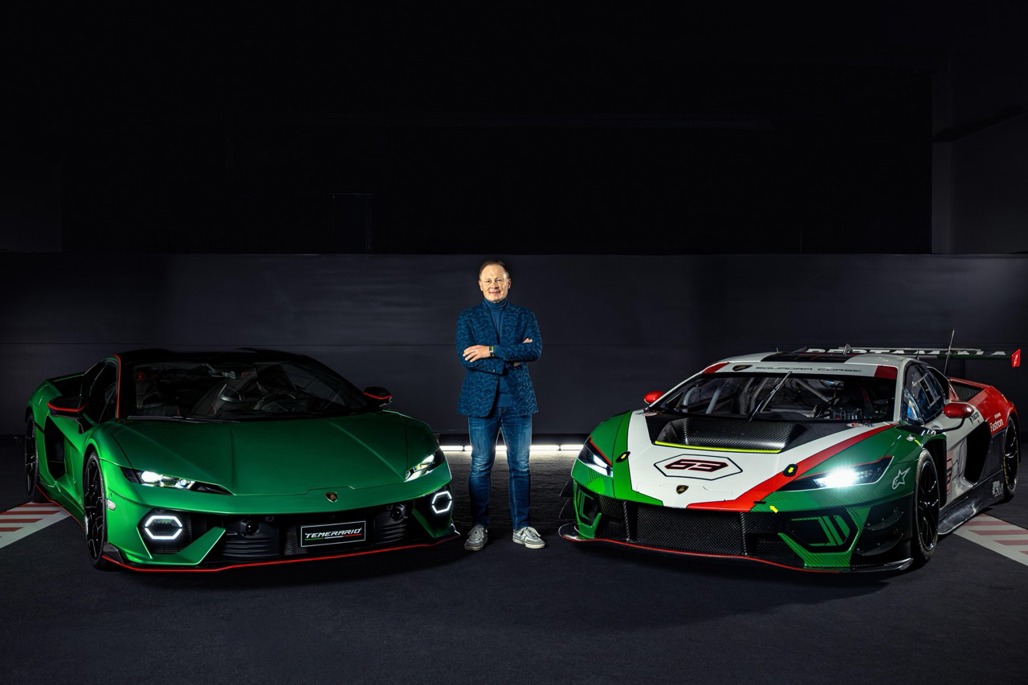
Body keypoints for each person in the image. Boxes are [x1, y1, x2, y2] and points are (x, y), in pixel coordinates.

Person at [456, 258, 544, 551]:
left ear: (508, 283)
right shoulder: (468, 317)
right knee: (480, 466)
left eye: (498, 280)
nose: (494, 285)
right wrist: (512, 358)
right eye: (488, 280)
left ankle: (522, 527)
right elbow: (467, 358)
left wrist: (490, 351)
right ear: (480, 285)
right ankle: (479, 526)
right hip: (481, 403)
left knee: (520, 466)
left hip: (518, 402)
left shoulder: (524, 315)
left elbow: (534, 350)